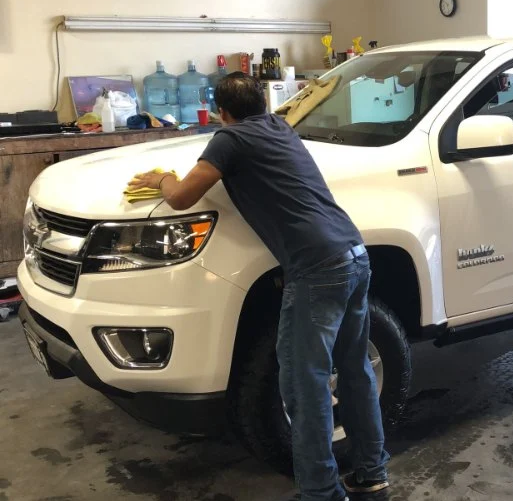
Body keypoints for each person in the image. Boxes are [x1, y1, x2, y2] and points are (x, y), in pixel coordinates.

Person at [128, 72, 390, 501]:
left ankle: (321, 493)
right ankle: (371, 473)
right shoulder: (279, 128)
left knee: (305, 389)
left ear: (221, 113)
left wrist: (160, 179)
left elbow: (181, 198)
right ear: (264, 104)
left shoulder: (229, 141)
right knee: (356, 372)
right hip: (355, 255)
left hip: (318, 270)